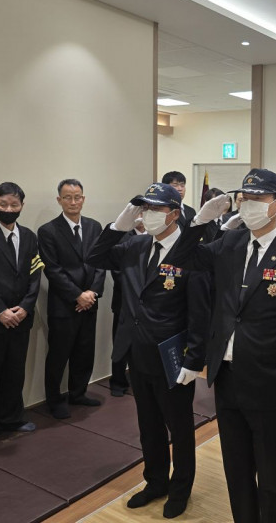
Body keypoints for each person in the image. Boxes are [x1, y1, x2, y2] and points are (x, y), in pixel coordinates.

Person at [172, 168, 276, 523]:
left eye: (258, 199)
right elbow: (180, 260)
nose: (249, 205)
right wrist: (198, 223)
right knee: (236, 471)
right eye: (245, 198)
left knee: (270, 476)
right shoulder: (230, 244)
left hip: (271, 381)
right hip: (227, 377)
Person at [87, 182, 209, 519]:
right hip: (137, 351)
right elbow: (94, 257)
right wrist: (118, 226)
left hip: (172, 357)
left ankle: (180, 489)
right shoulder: (135, 245)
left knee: (179, 428)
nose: (148, 215)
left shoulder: (191, 253)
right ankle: (155, 482)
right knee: (149, 424)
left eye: (156, 209)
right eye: (145, 208)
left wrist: (194, 359)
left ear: (174, 214)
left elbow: (200, 313)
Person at [0, 182, 43, 447]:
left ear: (22, 206)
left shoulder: (29, 236)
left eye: (15, 205)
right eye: (4, 204)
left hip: (21, 319)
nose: (9, 209)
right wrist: (0, 311)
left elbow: (35, 274)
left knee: (15, 372)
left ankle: (13, 419)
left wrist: (25, 307)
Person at [38, 179, 106, 419]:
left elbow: (101, 262)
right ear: (59, 200)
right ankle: (54, 400)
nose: (73, 202)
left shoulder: (94, 226)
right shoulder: (48, 231)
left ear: (83, 199)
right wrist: (78, 295)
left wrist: (92, 293)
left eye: (77, 197)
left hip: (89, 303)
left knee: (84, 352)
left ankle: (78, 393)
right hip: (64, 305)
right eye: (67, 197)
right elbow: (52, 269)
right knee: (58, 355)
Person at [108, 217, 145, 397]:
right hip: (124, 301)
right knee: (121, 343)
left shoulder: (155, 236)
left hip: (148, 305)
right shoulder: (122, 237)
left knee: (143, 344)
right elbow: (117, 271)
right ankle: (117, 382)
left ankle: (139, 380)